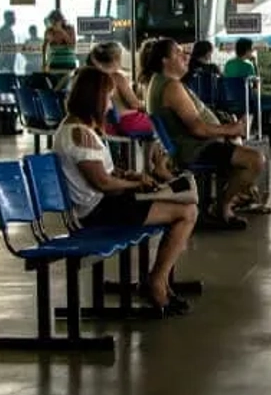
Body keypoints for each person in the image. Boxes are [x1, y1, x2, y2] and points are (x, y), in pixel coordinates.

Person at [53, 66, 197, 314]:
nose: (110, 105)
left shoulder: (78, 128)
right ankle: (157, 282)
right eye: (108, 98)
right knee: (187, 212)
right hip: (99, 211)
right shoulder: (77, 134)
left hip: (104, 204)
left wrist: (128, 175)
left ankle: (158, 279)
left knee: (185, 205)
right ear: (95, 98)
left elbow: (104, 175)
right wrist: (136, 184)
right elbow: (103, 184)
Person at [141, 37, 263, 230]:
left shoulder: (161, 82)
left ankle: (228, 200)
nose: (185, 56)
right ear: (165, 60)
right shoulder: (171, 87)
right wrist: (232, 129)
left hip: (196, 143)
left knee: (239, 150)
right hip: (195, 147)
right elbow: (198, 128)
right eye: (178, 53)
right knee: (255, 160)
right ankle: (223, 207)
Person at [87, 42, 151, 136]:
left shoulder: (94, 77)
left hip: (107, 125)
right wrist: (148, 105)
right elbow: (134, 104)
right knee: (159, 124)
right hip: (127, 122)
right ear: (115, 59)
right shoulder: (117, 77)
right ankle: (151, 151)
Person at [42, 10, 78, 87]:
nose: (53, 24)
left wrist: (62, 31)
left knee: (67, 87)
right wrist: (44, 63)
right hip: (54, 64)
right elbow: (44, 47)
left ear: (61, 21)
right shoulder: (49, 31)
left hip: (68, 64)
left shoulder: (70, 29)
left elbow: (72, 45)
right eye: (52, 22)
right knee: (55, 87)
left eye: (55, 22)